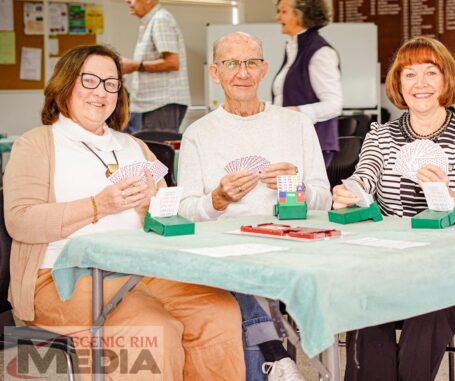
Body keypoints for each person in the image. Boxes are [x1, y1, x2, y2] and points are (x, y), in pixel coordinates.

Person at [4, 45, 244, 380]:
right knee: (152, 327)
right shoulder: (36, 143)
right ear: (65, 84)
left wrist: (152, 209)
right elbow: (20, 221)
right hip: (61, 276)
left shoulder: (134, 146)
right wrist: (97, 206)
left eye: (111, 83)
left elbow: (165, 220)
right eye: (89, 81)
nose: (100, 92)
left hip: (140, 269)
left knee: (217, 310)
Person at [332, 36, 455, 381]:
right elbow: (365, 177)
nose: (419, 83)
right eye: (409, 74)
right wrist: (351, 192)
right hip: (389, 258)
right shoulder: (380, 135)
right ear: (398, 84)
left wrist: (449, 198)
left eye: (430, 73)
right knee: (364, 296)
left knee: (430, 298)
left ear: (446, 80)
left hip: (449, 263)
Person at [178, 32, 331, 381]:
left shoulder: (296, 125)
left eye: (250, 63)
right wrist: (216, 201)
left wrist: (298, 189)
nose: (242, 73)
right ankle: (276, 358)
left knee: (247, 281)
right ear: (215, 73)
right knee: (242, 272)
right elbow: (185, 208)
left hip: (289, 245)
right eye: (232, 64)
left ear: (263, 70)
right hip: (223, 253)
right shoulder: (198, 134)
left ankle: (275, 359)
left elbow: (324, 199)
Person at [273, 0, 342, 167]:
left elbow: (334, 105)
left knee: (299, 194)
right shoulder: (294, 48)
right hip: (292, 143)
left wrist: (296, 111)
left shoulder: (320, 52)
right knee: (287, 194)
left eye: (283, 11)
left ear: (301, 14)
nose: (277, 17)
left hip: (312, 146)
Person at [121, 0, 190, 132]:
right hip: (151, 104)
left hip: (161, 103)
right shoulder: (151, 21)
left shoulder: (160, 20)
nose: (128, 1)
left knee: (157, 151)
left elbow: (172, 63)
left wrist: (135, 65)